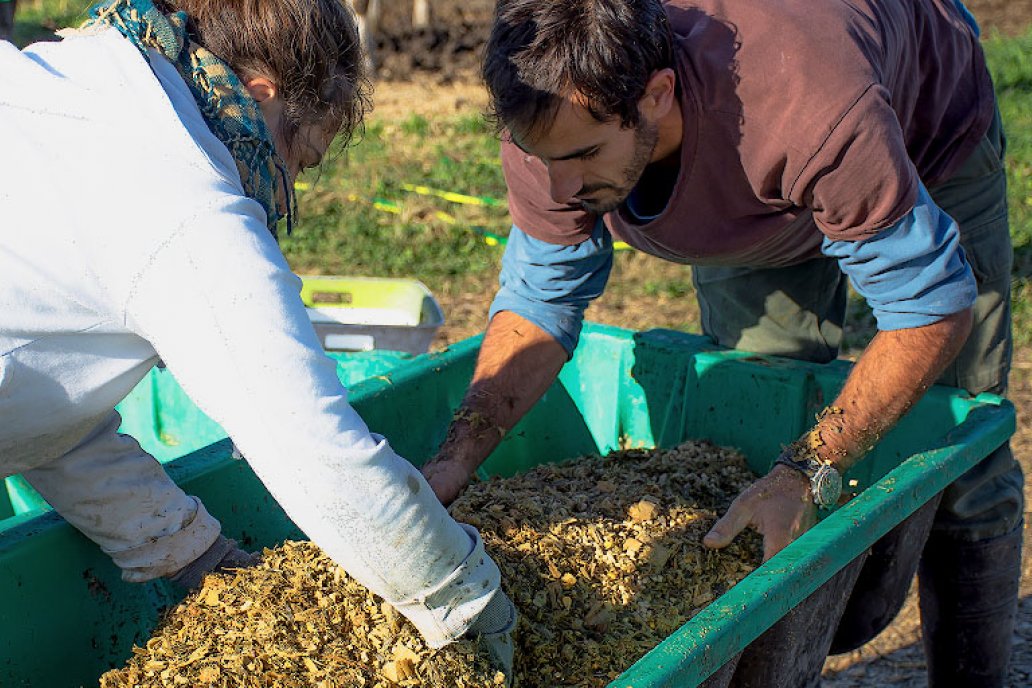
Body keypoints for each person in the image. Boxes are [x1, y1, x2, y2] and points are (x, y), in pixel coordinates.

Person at [420, 0, 1023, 685]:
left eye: (586, 155)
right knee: (759, 430)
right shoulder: (549, 104)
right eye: (543, 157)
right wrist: (456, 457)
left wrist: (810, 471)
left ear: (657, 94)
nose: (560, 188)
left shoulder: (805, 101)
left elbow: (931, 308)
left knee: (957, 440)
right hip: (766, 171)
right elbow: (538, 298)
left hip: (924, 124)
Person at [0, 0, 514, 676]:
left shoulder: (82, 76)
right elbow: (317, 449)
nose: (284, 190)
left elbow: (38, 395)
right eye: (298, 160)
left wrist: (197, 555)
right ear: (262, 94)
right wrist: (467, 598)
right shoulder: (183, 197)